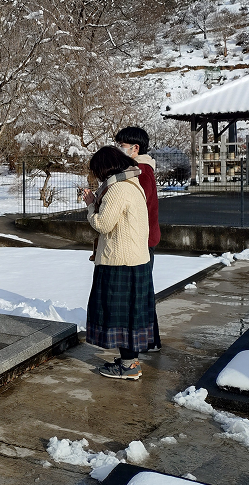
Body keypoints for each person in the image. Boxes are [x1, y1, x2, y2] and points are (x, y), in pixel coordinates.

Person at [82, 146, 155, 380]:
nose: (97, 176)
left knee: (119, 315)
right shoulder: (132, 183)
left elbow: (102, 224)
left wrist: (90, 205)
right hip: (135, 259)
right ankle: (130, 361)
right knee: (131, 315)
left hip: (120, 262)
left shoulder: (117, 189)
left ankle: (128, 366)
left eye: (97, 171)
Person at [114, 126, 162, 352]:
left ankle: (147, 341)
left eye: (121, 146)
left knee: (139, 293)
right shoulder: (141, 169)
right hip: (145, 238)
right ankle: (151, 340)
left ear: (135, 148)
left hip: (140, 240)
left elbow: (136, 206)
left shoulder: (140, 171)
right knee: (143, 291)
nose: (118, 149)